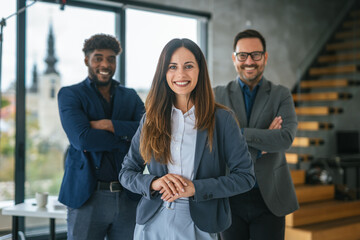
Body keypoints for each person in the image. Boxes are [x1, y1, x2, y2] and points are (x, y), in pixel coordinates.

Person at [119, 38, 256, 240]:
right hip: (153, 221)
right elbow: (126, 173)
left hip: (200, 223)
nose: (181, 74)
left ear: (199, 71)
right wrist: (154, 183)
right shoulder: (151, 119)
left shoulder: (222, 119)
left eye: (188, 66)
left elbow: (246, 177)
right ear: (163, 73)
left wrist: (196, 188)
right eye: (172, 67)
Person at [57, 34, 145, 240]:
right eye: (98, 58)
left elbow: (148, 132)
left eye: (111, 58)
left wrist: (107, 125)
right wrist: (125, 138)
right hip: (87, 197)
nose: (105, 64)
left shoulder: (130, 96)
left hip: (127, 196)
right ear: (87, 60)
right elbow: (83, 139)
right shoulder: (70, 94)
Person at [214, 29, 299, 240]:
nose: (249, 61)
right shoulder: (217, 95)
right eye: (242, 55)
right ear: (234, 58)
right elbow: (215, 143)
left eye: (256, 55)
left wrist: (238, 134)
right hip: (230, 195)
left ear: (265, 57)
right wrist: (262, 143)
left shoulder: (281, 94)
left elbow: (285, 139)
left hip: (270, 197)